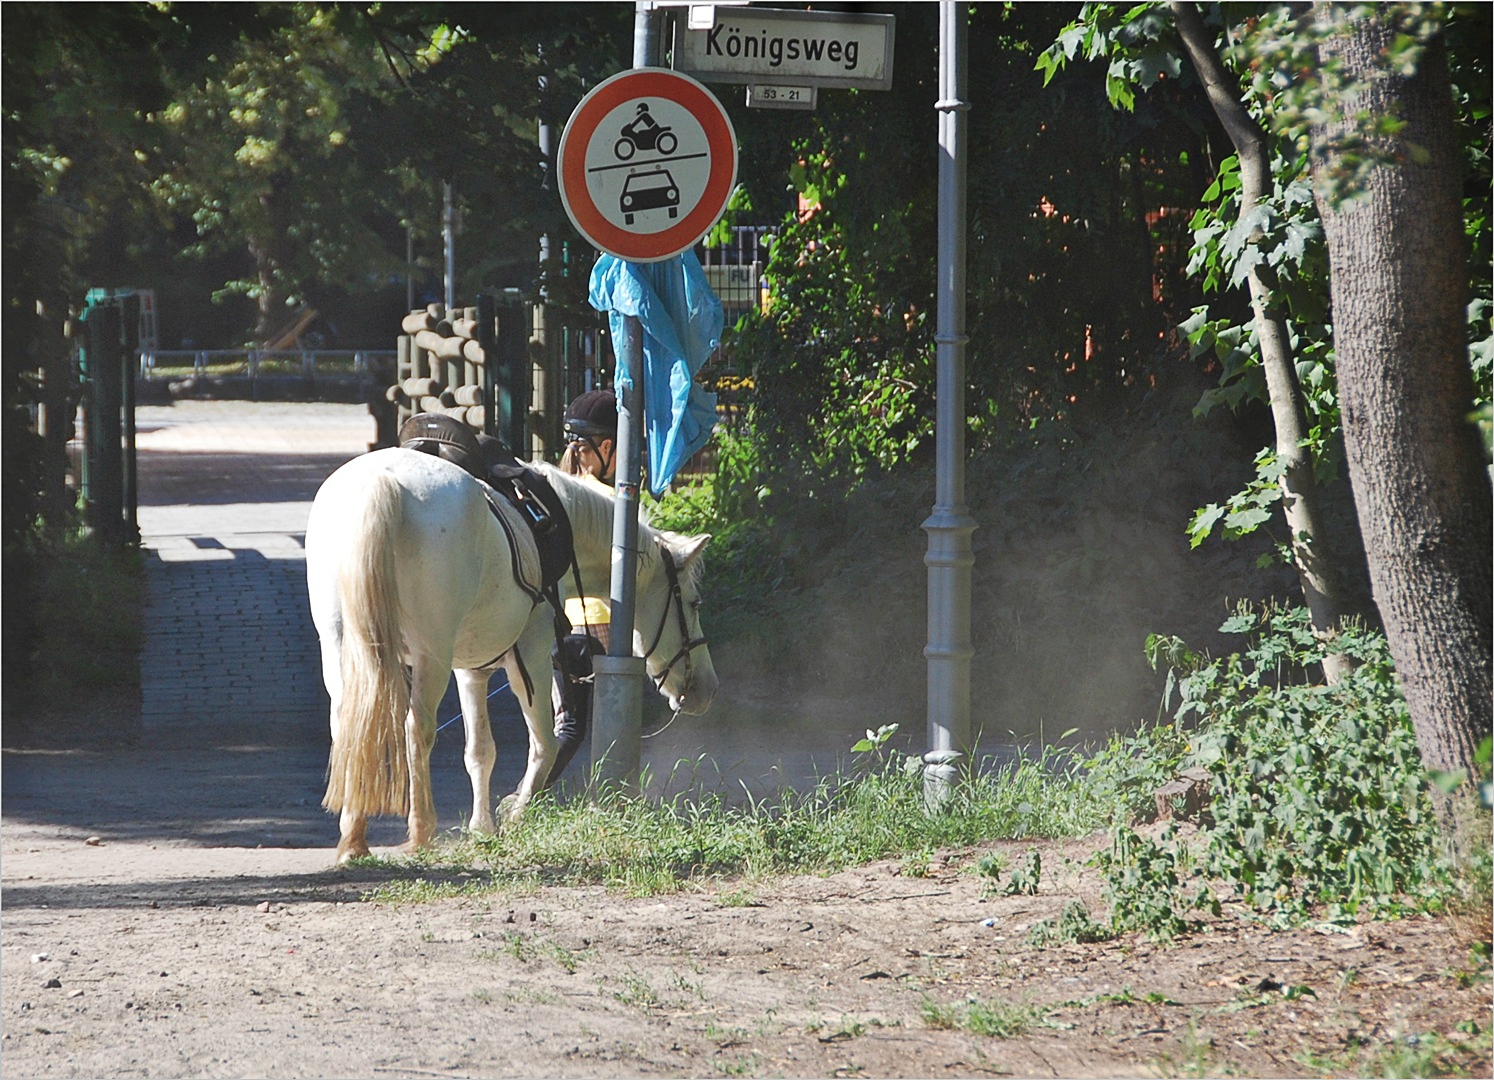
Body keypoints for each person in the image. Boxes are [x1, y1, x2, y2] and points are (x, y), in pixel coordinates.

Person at [547, 390, 618, 789]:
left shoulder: (558, 496)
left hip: (557, 621)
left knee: (564, 721)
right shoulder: (610, 503)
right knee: (577, 727)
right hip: (599, 622)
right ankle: (527, 802)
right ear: (606, 446)